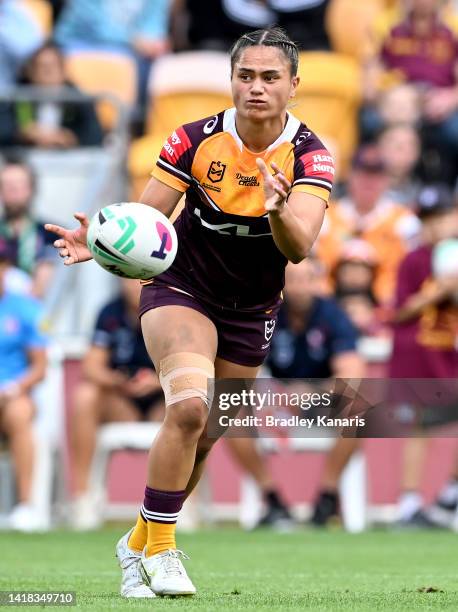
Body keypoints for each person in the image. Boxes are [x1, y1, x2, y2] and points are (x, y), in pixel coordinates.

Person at [46, 27, 335, 598]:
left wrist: (276, 208)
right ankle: (164, 549)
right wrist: (101, 239)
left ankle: (136, 543)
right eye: (245, 76)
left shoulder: (311, 154)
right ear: (231, 80)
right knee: (187, 408)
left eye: (269, 77)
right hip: (181, 289)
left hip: (252, 307)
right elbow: (147, 220)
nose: (256, 88)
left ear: (294, 86)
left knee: (206, 434)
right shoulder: (191, 140)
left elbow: (298, 246)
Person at [267, 258, 366, 526]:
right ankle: (271, 499)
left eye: (306, 279)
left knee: (357, 410)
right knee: (227, 407)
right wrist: (276, 394)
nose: (299, 286)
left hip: (319, 402)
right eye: (293, 279)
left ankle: (326, 497)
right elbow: (242, 370)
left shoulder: (334, 316)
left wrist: (311, 391)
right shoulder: (265, 312)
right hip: (272, 400)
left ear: (318, 282)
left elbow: (351, 376)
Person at [388, 184, 458, 526]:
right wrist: (437, 291)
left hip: (447, 355)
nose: (437, 225)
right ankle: (410, 502)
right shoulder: (413, 260)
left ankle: (449, 495)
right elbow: (399, 312)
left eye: (443, 217)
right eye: (429, 219)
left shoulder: (453, 255)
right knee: (418, 427)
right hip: (416, 355)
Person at [72, 278, 164, 530]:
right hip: (122, 400)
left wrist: (157, 382)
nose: (134, 285)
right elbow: (91, 366)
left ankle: (186, 503)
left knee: (191, 398)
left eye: (140, 277)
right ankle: (84, 497)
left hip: (163, 400)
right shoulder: (110, 311)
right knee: (85, 395)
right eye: (128, 278)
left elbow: (191, 365)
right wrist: (117, 381)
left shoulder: (170, 310)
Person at [315, 144, 421, 305]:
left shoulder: (404, 222)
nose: (369, 183)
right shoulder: (326, 216)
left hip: (387, 308)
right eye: (362, 174)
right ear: (350, 176)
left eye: (376, 176)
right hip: (331, 308)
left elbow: (416, 272)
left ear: (386, 180)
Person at [0, 238, 47, 531]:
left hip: (13, 393)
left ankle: (26, 504)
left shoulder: (26, 308)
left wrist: (13, 388)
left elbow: (40, 366)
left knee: (18, 413)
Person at [0, 41, 104, 149]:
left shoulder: (77, 100)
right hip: (25, 159)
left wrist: (69, 138)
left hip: (70, 160)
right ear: (30, 72)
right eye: (42, 67)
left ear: (63, 71)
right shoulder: (17, 97)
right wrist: (22, 133)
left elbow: (95, 136)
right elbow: (3, 131)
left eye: (53, 66)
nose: (48, 72)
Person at [0, 158, 57, 298]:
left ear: (32, 189)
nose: (13, 190)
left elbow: (41, 289)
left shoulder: (49, 234)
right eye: (6, 185)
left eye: (19, 184)